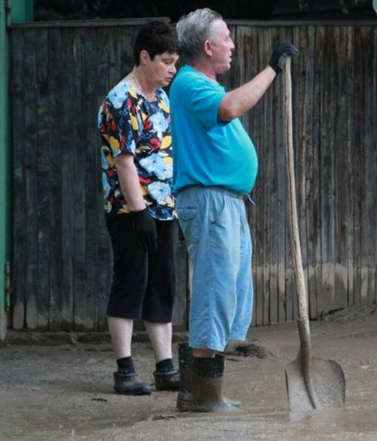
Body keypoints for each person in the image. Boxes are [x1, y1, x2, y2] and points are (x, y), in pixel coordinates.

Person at [170, 8, 297, 412]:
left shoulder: (204, 85)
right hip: (209, 201)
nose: (232, 45)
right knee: (214, 292)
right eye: (226, 39)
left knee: (228, 294)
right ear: (207, 47)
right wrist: (272, 70)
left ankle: (201, 391)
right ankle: (203, 397)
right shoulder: (193, 84)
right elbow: (229, 108)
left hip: (225, 202)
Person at [96, 20, 180, 396]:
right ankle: (125, 369)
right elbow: (124, 162)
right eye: (165, 61)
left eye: (175, 61)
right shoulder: (120, 101)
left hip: (165, 208)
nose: (172, 69)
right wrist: (139, 211)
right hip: (132, 210)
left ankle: (165, 367)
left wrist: (162, 208)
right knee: (131, 283)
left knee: (162, 285)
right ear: (144, 57)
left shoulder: (161, 97)